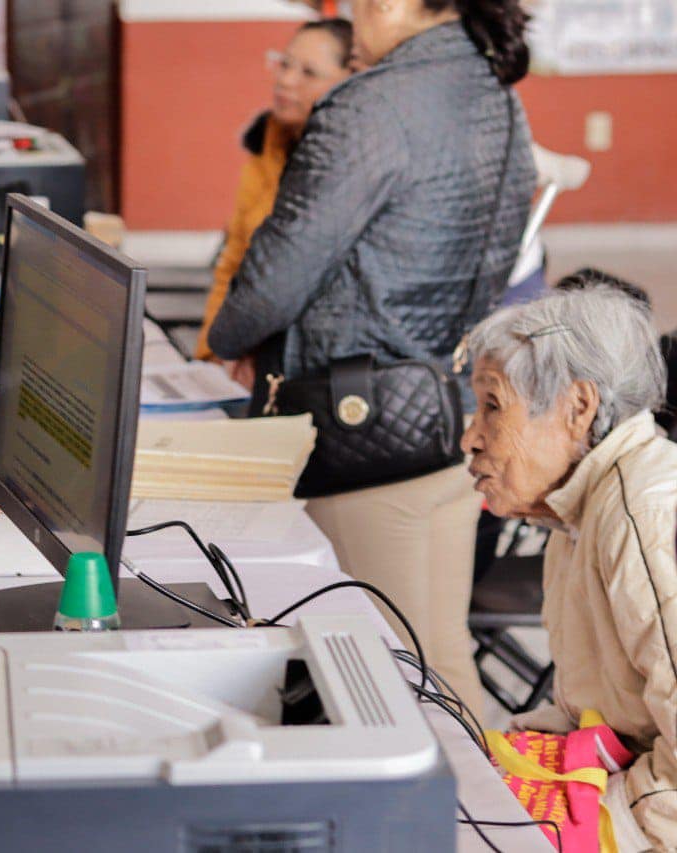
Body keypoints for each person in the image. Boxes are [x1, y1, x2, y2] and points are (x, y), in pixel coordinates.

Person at [206, 0, 538, 713]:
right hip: (448, 406)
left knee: (412, 672)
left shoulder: (371, 106)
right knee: (429, 653)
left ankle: (494, 821)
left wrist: (228, 337)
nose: (350, 13)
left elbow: (281, 265)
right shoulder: (496, 96)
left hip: (366, 425)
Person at [462, 286, 674, 851]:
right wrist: (558, 730)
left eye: (492, 406)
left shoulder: (641, 513)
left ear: (578, 408)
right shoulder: (578, 506)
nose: (470, 438)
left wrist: (616, 819)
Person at [193, 18, 354, 364]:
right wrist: (210, 357)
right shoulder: (267, 145)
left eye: (308, 73)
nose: (285, 80)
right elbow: (233, 264)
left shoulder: (352, 169)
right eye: (284, 64)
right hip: (239, 348)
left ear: (349, 82)